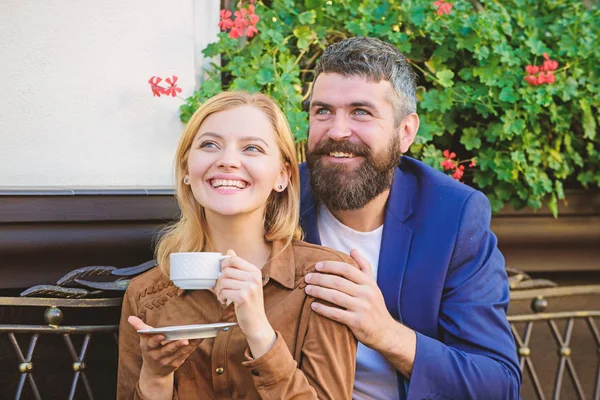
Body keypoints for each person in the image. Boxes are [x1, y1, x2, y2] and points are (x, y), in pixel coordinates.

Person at [299, 37, 522, 399]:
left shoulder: (452, 216)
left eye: (361, 112)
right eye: (323, 111)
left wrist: (384, 332)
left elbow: (497, 384)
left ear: (405, 132)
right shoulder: (277, 200)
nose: (337, 130)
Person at [117, 91, 357, 399]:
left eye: (252, 148)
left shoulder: (324, 281)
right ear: (187, 169)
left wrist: (259, 332)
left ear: (283, 174)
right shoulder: (146, 296)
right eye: (209, 145)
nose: (228, 161)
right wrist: (155, 377)